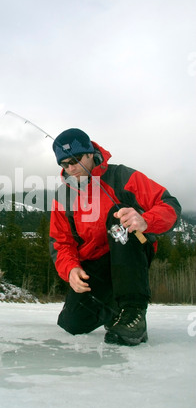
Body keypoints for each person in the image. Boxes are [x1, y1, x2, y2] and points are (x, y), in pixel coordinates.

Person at [49, 128, 181, 345]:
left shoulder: (122, 176)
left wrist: (146, 220)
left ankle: (133, 311)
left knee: (118, 218)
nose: (71, 168)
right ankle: (116, 311)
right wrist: (71, 268)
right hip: (98, 263)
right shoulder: (63, 197)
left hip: (132, 249)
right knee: (72, 322)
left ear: (90, 153)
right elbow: (60, 242)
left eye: (75, 159)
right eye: (64, 164)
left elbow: (170, 205)